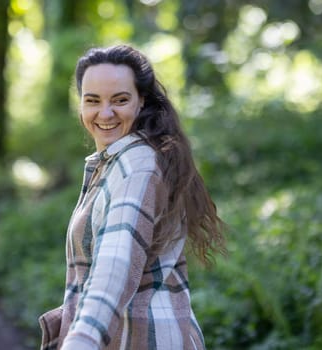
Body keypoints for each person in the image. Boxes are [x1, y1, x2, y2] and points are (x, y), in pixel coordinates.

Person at [39, 44, 226, 350]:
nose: (105, 113)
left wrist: (82, 340)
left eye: (120, 100)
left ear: (141, 102)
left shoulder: (137, 166)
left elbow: (115, 267)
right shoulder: (119, 163)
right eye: (92, 101)